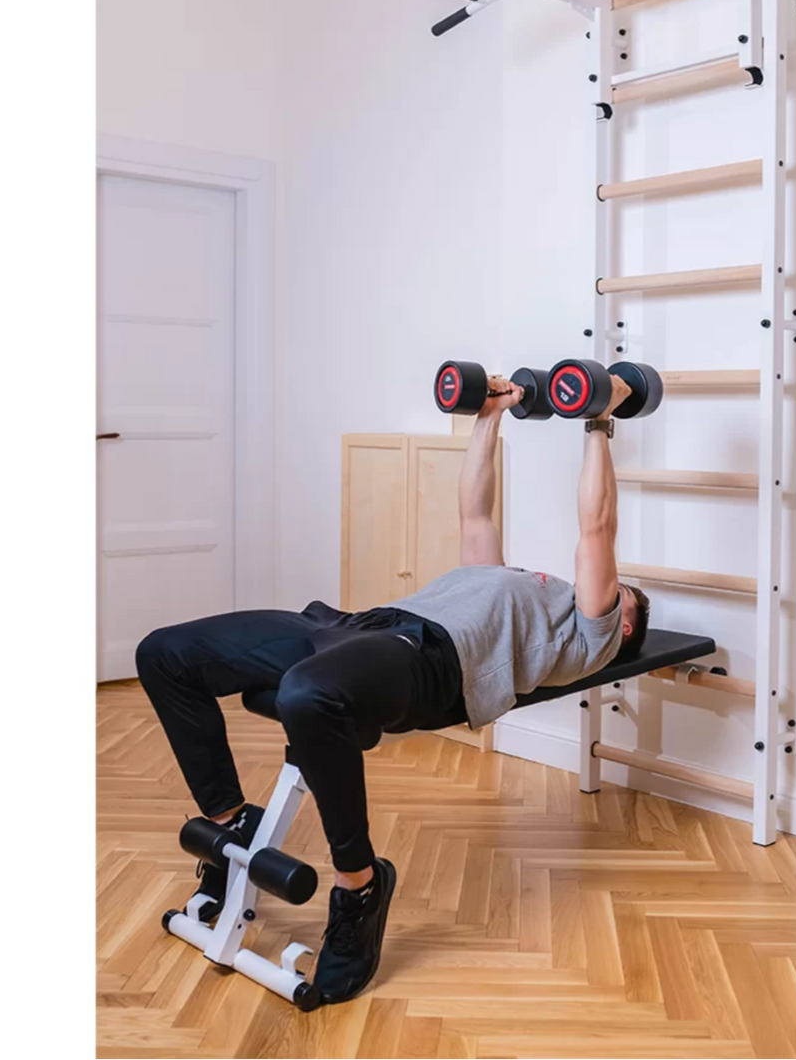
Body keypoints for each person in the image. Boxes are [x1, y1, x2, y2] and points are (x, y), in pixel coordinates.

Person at [135, 372, 651, 1005]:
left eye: (616, 591)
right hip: (352, 627)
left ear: (623, 620)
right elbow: (476, 511)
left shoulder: (590, 631)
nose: (602, 584)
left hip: (429, 661)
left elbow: (596, 531)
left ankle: (360, 885)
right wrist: (488, 417)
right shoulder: (508, 583)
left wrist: (599, 420)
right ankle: (231, 822)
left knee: (305, 697)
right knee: (163, 653)